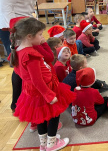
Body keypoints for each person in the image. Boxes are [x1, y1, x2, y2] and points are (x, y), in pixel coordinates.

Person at [9, 17, 75, 151]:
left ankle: (44, 143)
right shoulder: (30, 55)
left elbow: (23, 74)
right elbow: (36, 80)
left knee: (41, 116)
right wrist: (49, 95)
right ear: (29, 36)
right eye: (40, 34)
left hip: (33, 91)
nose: (42, 37)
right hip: (44, 90)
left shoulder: (18, 50)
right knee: (54, 114)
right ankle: (52, 143)